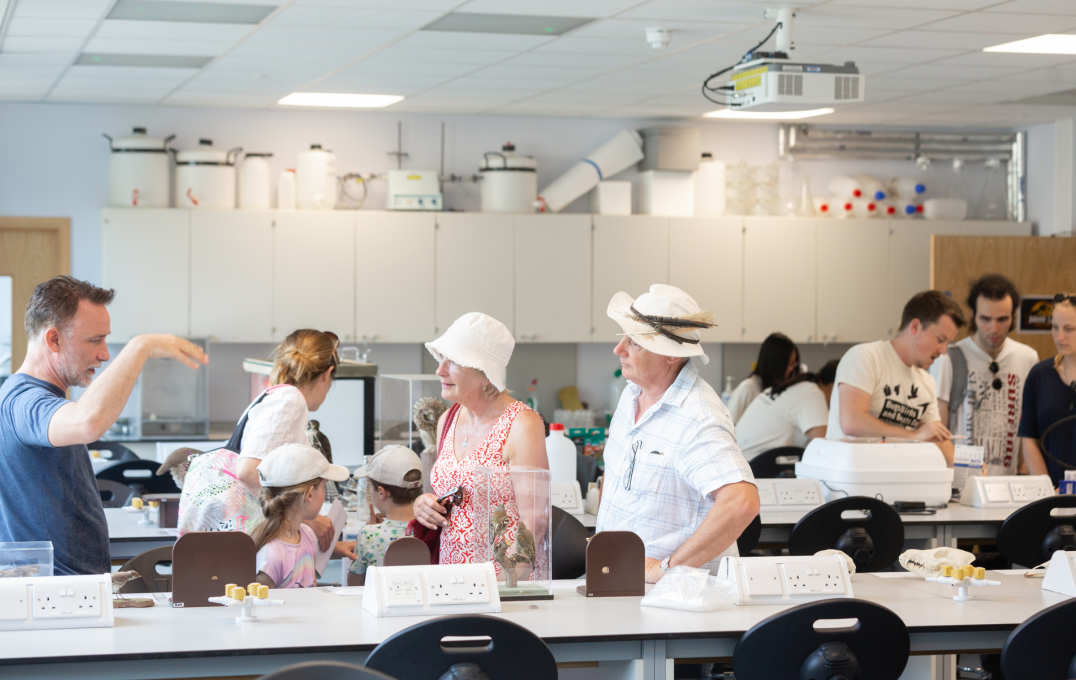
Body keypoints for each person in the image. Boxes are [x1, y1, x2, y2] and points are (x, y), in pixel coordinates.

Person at [0, 276, 207, 575]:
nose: (104, 353)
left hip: (71, 586)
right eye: (95, 340)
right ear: (54, 339)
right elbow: (87, 422)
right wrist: (140, 347)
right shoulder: (21, 400)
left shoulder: (33, 396)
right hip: (54, 590)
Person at [596, 284, 759, 583]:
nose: (618, 349)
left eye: (635, 342)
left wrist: (666, 570)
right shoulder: (631, 394)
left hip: (674, 596)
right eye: (623, 338)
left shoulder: (697, 415)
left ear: (670, 356)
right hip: (619, 579)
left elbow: (741, 502)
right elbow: (617, 474)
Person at [411, 312, 548, 568]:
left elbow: (534, 524)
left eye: (453, 362)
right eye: (442, 359)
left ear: (485, 373)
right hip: (452, 577)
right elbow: (449, 496)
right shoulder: (448, 419)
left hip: (503, 580)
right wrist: (424, 505)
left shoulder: (522, 424)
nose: (440, 370)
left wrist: (507, 583)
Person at [179, 329, 338, 548]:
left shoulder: (275, 396)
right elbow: (249, 471)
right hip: (238, 533)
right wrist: (305, 517)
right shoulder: (290, 400)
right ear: (327, 374)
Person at [828, 290, 965, 465]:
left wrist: (968, 468)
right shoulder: (865, 357)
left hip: (895, 473)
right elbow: (852, 422)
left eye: (948, 343)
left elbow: (935, 436)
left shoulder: (927, 381)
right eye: (940, 339)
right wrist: (914, 436)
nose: (943, 351)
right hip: (849, 473)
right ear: (915, 327)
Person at [930, 274, 1038, 475]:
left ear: (1013, 316)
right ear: (973, 315)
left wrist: (1024, 472)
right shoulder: (950, 357)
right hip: (961, 481)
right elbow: (937, 428)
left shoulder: (1027, 358)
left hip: (1009, 480)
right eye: (985, 319)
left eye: (1002, 319)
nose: (994, 328)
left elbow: (1029, 426)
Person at [251, 443, 355, 588]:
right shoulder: (271, 557)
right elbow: (259, 601)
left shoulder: (307, 535)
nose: (324, 494)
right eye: (324, 487)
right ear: (310, 494)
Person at [1019, 294, 1076, 484]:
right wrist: (1045, 488)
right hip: (1051, 491)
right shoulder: (1039, 375)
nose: (1060, 337)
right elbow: (1029, 437)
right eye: (1055, 327)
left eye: (1069, 329)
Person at [736, 360, 838, 461]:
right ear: (833, 386)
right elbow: (824, 448)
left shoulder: (799, 386)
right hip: (755, 465)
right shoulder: (812, 393)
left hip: (741, 460)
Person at [349, 445, 423, 579]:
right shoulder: (432, 529)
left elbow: (354, 583)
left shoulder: (369, 535)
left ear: (381, 492)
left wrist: (370, 529)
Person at [726, 333, 800, 425]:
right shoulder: (748, 389)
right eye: (790, 364)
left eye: (794, 364)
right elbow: (728, 426)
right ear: (775, 364)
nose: (792, 369)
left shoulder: (779, 390)